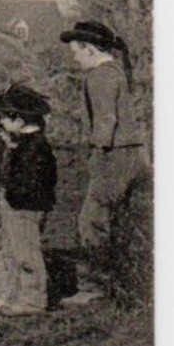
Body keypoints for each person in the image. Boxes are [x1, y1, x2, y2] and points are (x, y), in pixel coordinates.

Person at [58, 20, 147, 303]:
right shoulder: (116, 72)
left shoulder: (100, 76)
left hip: (113, 155)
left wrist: (97, 153)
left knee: (92, 221)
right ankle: (120, 284)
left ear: (90, 49)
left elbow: (106, 119)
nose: (74, 56)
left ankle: (92, 289)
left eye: (77, 50)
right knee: (117, 220)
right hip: (129, 153)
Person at [0, 84, 58, 317]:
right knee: (13, 253)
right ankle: (13, 296)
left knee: (26, 255)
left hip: (25, 208)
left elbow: (35, 183)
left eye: (6, 117)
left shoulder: (35, 148)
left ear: (19, 119)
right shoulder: (26, 145)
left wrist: (14, 195)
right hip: (18, 206)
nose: (2, 123)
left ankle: (33, 300)